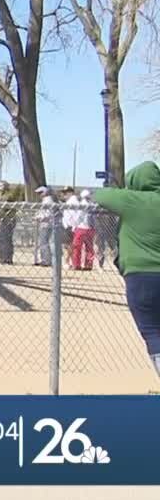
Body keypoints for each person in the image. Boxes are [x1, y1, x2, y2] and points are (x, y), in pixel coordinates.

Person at [93, 161, 160, 380]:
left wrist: (125, 189)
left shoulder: (133, 200)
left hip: (141, 276)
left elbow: (101, 195)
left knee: (152, 331)